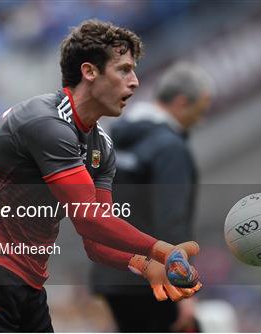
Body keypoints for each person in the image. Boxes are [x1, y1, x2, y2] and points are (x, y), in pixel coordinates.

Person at [0, 20, 202, 332]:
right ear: (90, 72)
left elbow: (95, 240)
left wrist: (145, 266)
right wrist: (161, 250)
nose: (135, 82)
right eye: (124, 70)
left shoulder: (101, 146)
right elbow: (89, 219)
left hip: (27, 281)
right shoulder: (45, 121)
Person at [91, 62, 213, 332]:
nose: (201, 120)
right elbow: (172, 221)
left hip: (113, 275)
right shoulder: (170, 148)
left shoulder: (113, 138)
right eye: (200, 111)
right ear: (181, 102)